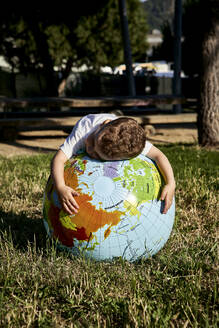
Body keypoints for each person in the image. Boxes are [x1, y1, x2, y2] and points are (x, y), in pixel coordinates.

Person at [51, 113, 175, 216]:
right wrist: (60, 187)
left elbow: (159, 156)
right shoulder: (84, 128)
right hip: (97, 121)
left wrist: (170, 183)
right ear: (104, 124)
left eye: (98, 155)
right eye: (93, 141)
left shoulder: (131, 142)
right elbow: (58, 159)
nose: (89, 150)